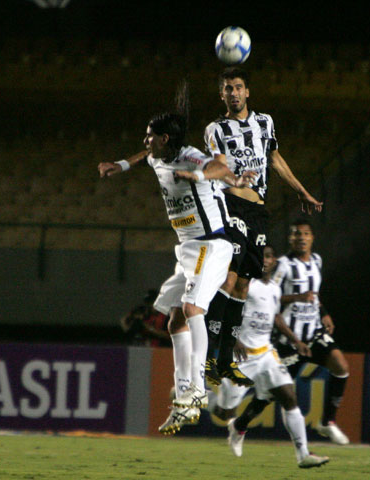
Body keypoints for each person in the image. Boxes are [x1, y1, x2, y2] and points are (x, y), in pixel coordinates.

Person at [98, 83, 255, 435]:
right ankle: (185, 394)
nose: (145, 141)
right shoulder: (157, 156)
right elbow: (144, 158)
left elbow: (219, 166)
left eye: (150, 136)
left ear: (166, 139)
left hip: (212, 244)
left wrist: (198, 175)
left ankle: (198, 387)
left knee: (192, 309)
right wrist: (120, 165)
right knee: (173, 321)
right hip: (186, 250)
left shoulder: (192, 157)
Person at [202, 66, 324, 387]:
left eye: (238, 87)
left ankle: (226, 360)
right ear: (222, 95)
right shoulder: (215, 128)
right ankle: (209, 355)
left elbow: (276, 160)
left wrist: (302, 191)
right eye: (227, 88)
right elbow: (217, 165)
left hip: (258, 211)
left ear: (247, 92)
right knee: (228, 279)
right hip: (231, 206)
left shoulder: (265, 122)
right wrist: (233, 178)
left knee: (243, 284)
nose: (233, 93)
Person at [213, 245, 329, 469]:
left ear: (274, 261)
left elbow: (275, 318)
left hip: (266, 353)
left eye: (267, 256)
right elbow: (223, 311)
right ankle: (198, 399)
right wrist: (234, 339)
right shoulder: (243, 284)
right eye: (260, 257)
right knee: (223, 412)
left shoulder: (274, 289)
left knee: (289, 397)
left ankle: (303, 454)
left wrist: (296, 341)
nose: (263, 261)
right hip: (242, 355)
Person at [272, 218, 351, 445]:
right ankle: (237, 421)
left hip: (314, 332)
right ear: (290, 238)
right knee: (269, 394)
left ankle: (328, 422)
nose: (301, 238)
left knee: (341, 366)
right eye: (296, 234)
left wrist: (323, 312)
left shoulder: (317, 260)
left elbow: (313, 294)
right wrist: (297, 297)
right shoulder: (282, 264)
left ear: (312, 237)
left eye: (305, 234)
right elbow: (270, 295)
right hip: (289, 339)